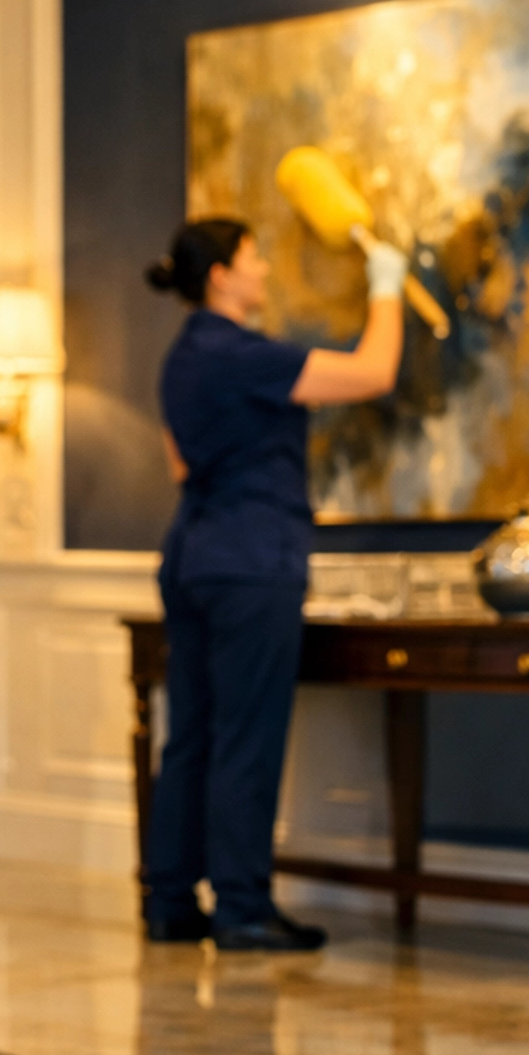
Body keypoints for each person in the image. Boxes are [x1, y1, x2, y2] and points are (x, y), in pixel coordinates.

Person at [142, 216, 405, 950]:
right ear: (221, 275)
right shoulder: (242, 355)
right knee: (246, 736)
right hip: (251, 561)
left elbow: (180, 468)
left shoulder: (180, 360)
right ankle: (243, 907)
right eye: (255, 259)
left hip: (190, 558)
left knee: (190, 735)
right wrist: (386, 285)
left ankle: (169, 900)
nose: (264, 272)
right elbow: (373, 373)